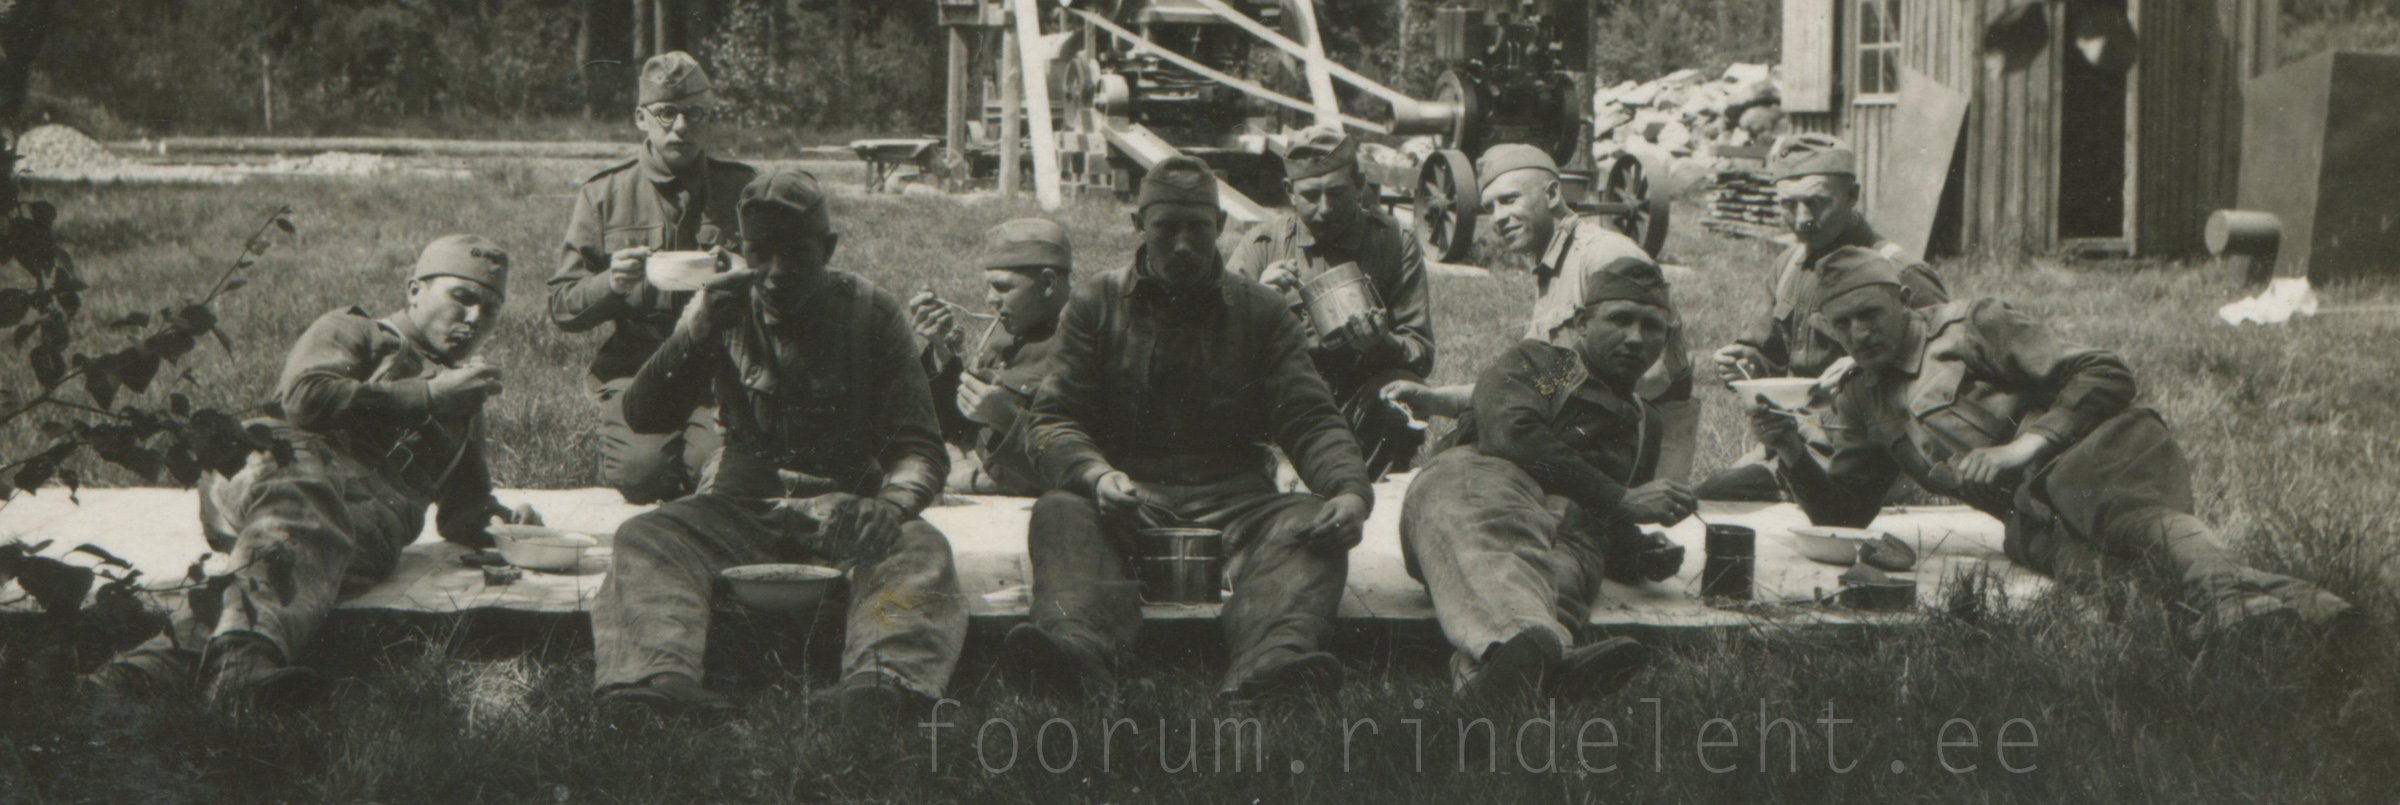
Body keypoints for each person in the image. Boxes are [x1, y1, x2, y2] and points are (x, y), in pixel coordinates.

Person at [1753, 248, 2359, 640]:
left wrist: (2025, 446)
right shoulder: (1862, 396)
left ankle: (2229, 613)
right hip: (2033, 519)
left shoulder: (1969, 327)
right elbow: (1845, 513)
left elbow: (2105, 371)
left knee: (2136, 525)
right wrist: (1792, 451)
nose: (1859, 333)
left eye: (1870, 314)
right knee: (2115, 586)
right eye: (1843, 324)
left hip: (2098, 454)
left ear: (1905, 301)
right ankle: (2313, 611)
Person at [83, 235, 540, 708]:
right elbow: (304, 398)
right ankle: (241, 668)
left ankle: (137, 676)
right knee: (304, 499)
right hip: (273, 471)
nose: (474, 318)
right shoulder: (359, 331)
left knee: (297, 553)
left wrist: (505, 524)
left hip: (359, 527)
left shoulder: (464, 400)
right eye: (461, 297)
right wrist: (427, 395)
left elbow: (465, 507)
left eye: (490, 310)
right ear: (414, 291)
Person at [587, 168, 966, 721]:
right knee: (647, 536)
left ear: (828, 248)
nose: (776, 271)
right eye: (760, 253)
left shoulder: (871, 313)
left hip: (845, 508)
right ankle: (657, 679)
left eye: (798, 253)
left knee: (921, 549)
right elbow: (644, 416)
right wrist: (693, 332)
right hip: (742, 503)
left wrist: (890, 506)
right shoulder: (722, 308)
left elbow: (920, 446)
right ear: (741, 248)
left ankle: (882, 683)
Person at [1007, 156, 1375, 704]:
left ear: (1221, 226)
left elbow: (1310, 417)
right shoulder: (1095, 305)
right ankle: (1079, 652)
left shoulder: (1263, 312)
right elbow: (1053, 418)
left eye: (1198, 228)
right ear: (1138, 224)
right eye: (1166, 228)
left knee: (1308, 525)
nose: (1182, 245)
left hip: (1238, 505)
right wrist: (1096, 475)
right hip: (1122, 503)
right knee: (1060, 512)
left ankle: (1272, 665)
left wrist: (1349, 492)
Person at [1399, 251, 1691, 706]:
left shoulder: (1642, 422)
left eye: (1652, 326)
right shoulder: (1556, 367)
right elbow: (1510, 434)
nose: (1636, 338)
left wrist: (1639, 552)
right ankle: (1544, 657)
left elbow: (1608, 518)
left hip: (1566, 537)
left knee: (1560, 575)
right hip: (1475, 503)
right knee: (1494, 532)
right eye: (1620, 319)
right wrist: (1620, 498)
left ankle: (1496, 684)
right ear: (1582, 324)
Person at [1383, 144, 1699, 482]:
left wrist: (1526, 406)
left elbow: (1656, 378)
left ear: (1551, 194)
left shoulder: (1608, 256)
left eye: (1509, 200)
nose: (1498, 218)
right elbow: (1526, 382)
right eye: (1490, 207)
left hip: (1636, 449)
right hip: (1587, 432)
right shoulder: (1552, 268)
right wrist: (1434, 399)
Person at [548, 51, 758, 504]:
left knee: (716, 475)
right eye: (666, 113)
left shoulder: (743, 189)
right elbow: (562, 306)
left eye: (694, 113)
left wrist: (744, 273)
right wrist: (611, 284)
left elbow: (786, 280)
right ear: (640, 118)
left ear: (709, 118)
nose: (681, 127)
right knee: (643, 477)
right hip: (636, 364)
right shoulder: (604, 194)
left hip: (718, 365)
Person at [1698, 134, 1949, 501]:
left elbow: (1947, 368)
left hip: (1875, 457)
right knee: (1708, 496)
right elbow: (1769, 352)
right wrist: (1746, 361)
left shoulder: (1898, 272)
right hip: (1795, 441)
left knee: (1721, 498)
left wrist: (1864, 367)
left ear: (1852, 195)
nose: (1802, 219)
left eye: (1817, 203)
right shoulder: (1789, 265)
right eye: (1789, 205)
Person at [1225, 126, 1435, 479]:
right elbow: (1217, 344)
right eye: (1310, 195)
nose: (1325, 209)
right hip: (1284, 400)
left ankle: (1356, 485)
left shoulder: (1393, 244)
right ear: (1290, 191)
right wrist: (1257, 302)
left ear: (1360, 184)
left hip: (1359, 400)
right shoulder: (1263, 245)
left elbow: (1421, 351)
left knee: (1402, 397)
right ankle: (1282, 473)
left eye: (1337, 193)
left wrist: (1382, 344)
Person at [907, 218, 1075, 496]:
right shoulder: (1010, 326)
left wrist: (1008, 421)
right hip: (962, 470)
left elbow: (1076, 465)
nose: (990, 299)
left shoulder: (1083, 345)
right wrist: (941, 349)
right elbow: (961, 422)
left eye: (1002, 287)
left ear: (1047, 283)